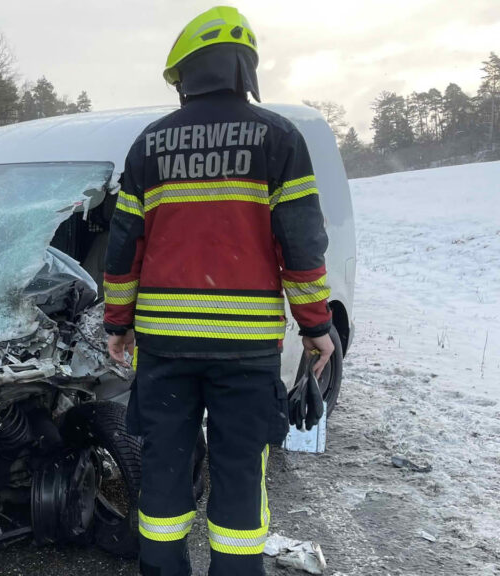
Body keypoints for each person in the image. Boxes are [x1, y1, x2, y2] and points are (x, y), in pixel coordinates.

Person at [102, 6, 336, 576]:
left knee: (162, 475)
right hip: (246, 352)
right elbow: (301, 245)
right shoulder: (279, 138)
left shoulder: (149, 145)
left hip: (165, 350)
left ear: (186, 74)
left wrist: (118, 324)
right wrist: (316, 326)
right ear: (242, 68)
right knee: (239, 477)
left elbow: (124, 247)